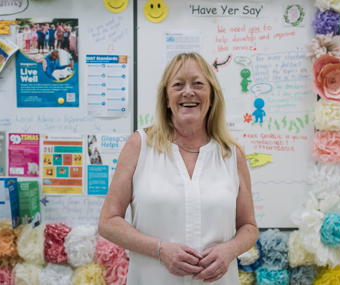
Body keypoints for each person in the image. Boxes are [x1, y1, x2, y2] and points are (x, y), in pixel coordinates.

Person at [98, 53, 258, 284]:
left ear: (212, 96)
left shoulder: (232, 154)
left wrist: (230, 250)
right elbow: (108, 222)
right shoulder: (140, 145)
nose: (188, 92)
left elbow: (249, 226)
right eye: (178, 85)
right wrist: (159, 250)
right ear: (166, 98)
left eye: (198, 83)